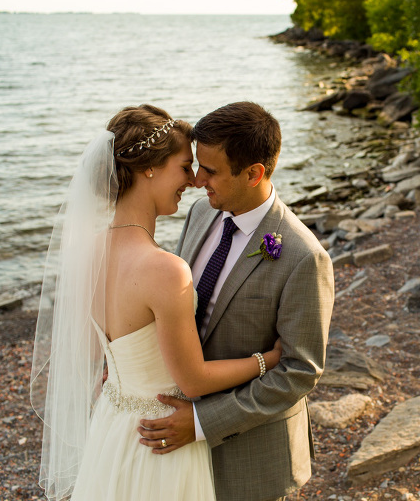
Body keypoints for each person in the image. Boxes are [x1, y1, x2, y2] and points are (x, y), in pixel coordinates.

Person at [30, 104, 282, 501]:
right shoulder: (165, 270)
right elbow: (193, 380)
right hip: (163, 436)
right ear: (149, 168)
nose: (194, 181)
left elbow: (95, 353)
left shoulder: (89, 253)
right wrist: (267, 359)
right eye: (184, 167)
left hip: (113, 428)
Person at [136, 101, 335, 501]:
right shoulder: (200, 214)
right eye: (197, 166)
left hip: (253, 458)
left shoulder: (303, 257)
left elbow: (299, 371)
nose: (196, 180)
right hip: (179, 445)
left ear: (253, 173)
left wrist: (202, 422)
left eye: (210, 171)